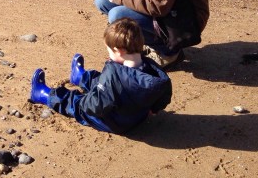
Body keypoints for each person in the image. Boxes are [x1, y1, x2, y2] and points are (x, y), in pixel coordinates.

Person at [29, 18, 172, 134]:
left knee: (74, 102)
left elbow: (95, 105)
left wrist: (84, 101)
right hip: (136, 117)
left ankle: (43, 94)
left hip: (113, 122)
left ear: (119, 51)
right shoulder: (155, 73)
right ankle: (80, 77)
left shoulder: (113, 75)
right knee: (100, 80)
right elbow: (164, 95)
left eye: (109, 51)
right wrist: (153, 109)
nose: (109, 54)